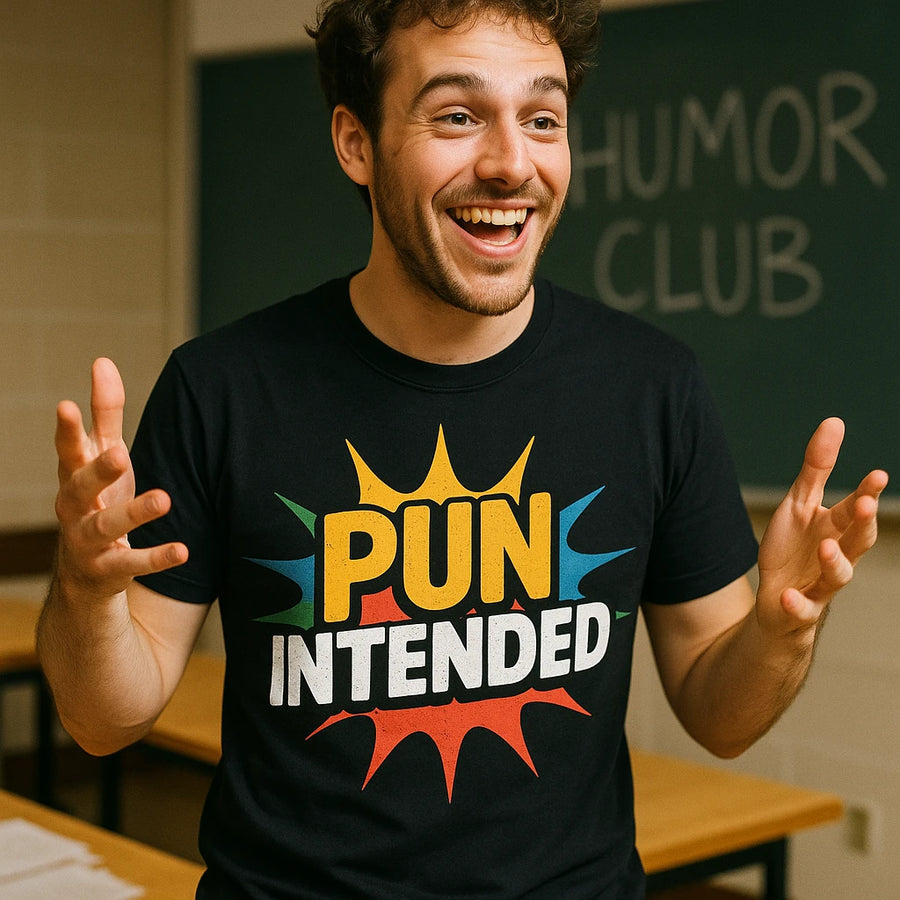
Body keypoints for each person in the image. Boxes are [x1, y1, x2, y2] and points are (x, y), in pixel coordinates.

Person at [38, 1, 888, 897]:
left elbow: (722, 716)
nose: (511, 162)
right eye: (456, 115)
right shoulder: (223, 390)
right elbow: (102, 724)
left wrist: (784, 626)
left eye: (543, 118)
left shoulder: (652, 387)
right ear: (355, 142)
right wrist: (88, 595)